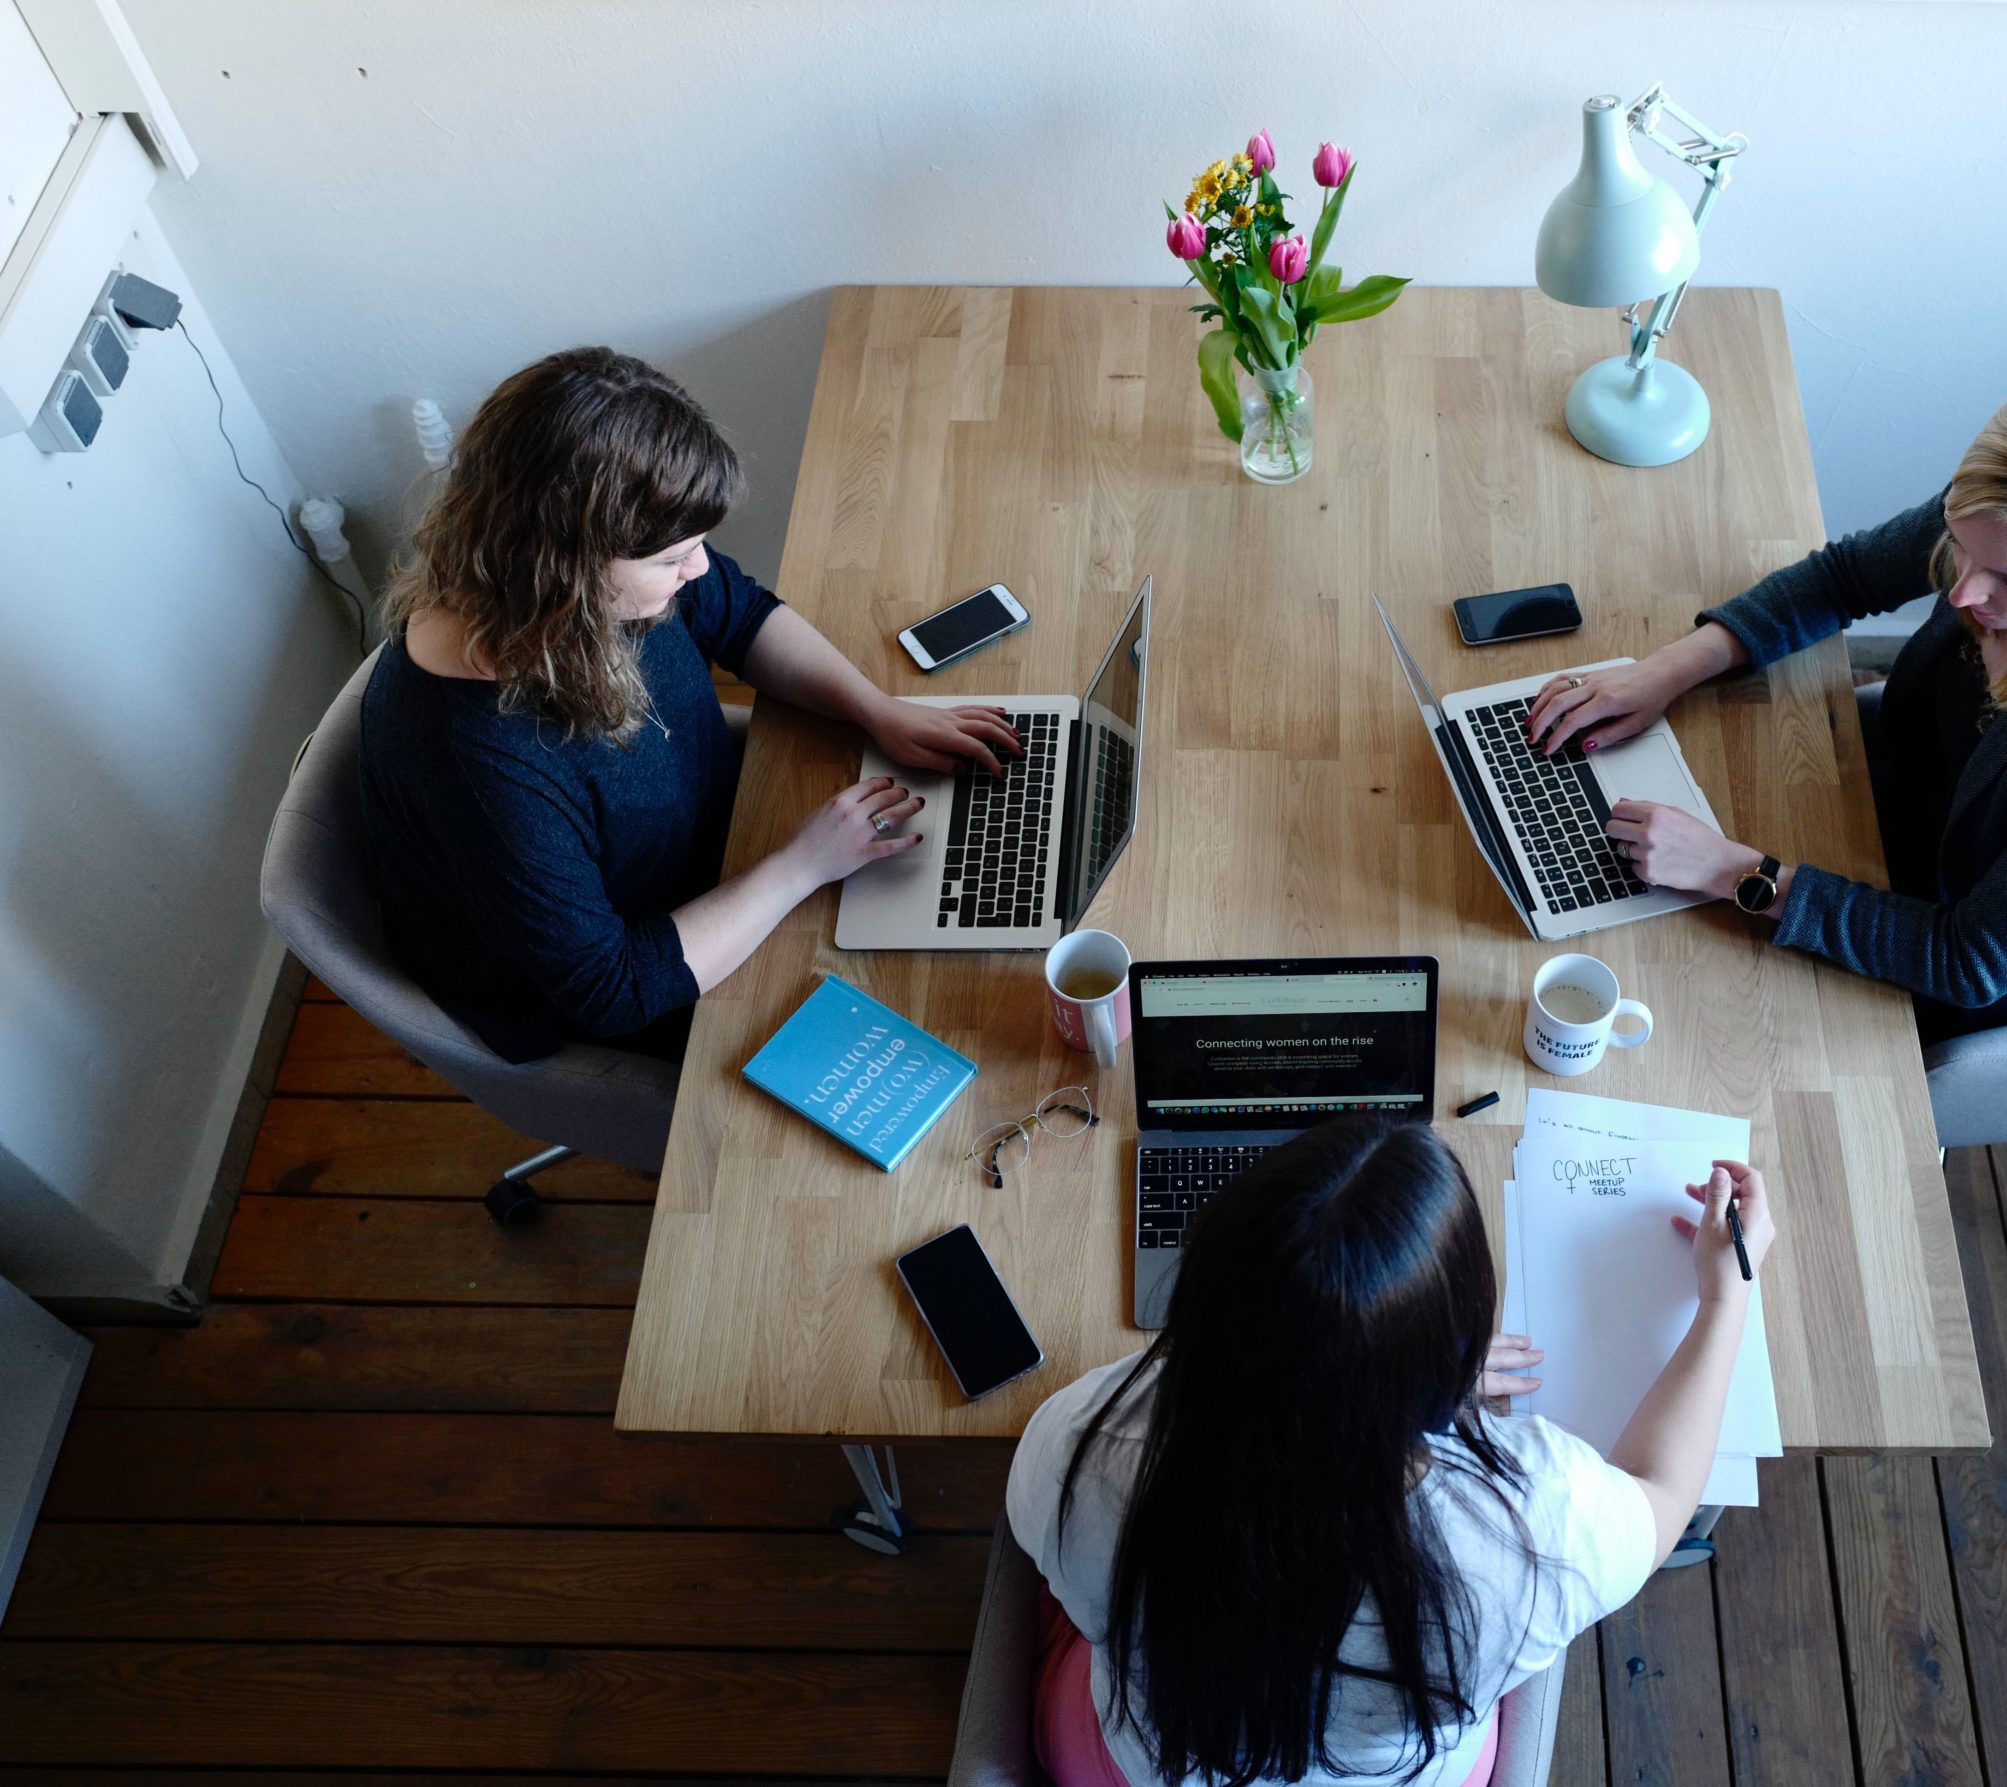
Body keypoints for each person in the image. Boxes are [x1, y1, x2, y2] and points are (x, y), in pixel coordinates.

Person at [1007, 1116, 1775, 1787]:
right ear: (1453, 1354)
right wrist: (1723, 1296)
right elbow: (1661, 1490)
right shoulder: (1534, 1529)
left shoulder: (1078, 1441)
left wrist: (1375, 1369)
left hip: (1134, 1765)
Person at [1525, 354, 2007, 1037]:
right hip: (1910, 816)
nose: (1962, 592)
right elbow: (1846, 578)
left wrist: (1729, 869)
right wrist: (1665, 671)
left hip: (2000, 980)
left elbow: (1969, 960)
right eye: (1959, 544)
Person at [359, 347, 1021, 1062]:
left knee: (965, 925)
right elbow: (611, 989)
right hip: (650, 969)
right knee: (949, 1014)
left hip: (730, 844)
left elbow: (739, 616)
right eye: (674, 559)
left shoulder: (574, 593)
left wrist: (874, 708)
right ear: (566, 565)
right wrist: (801, 866)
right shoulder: (476, 765)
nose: (698, 568)